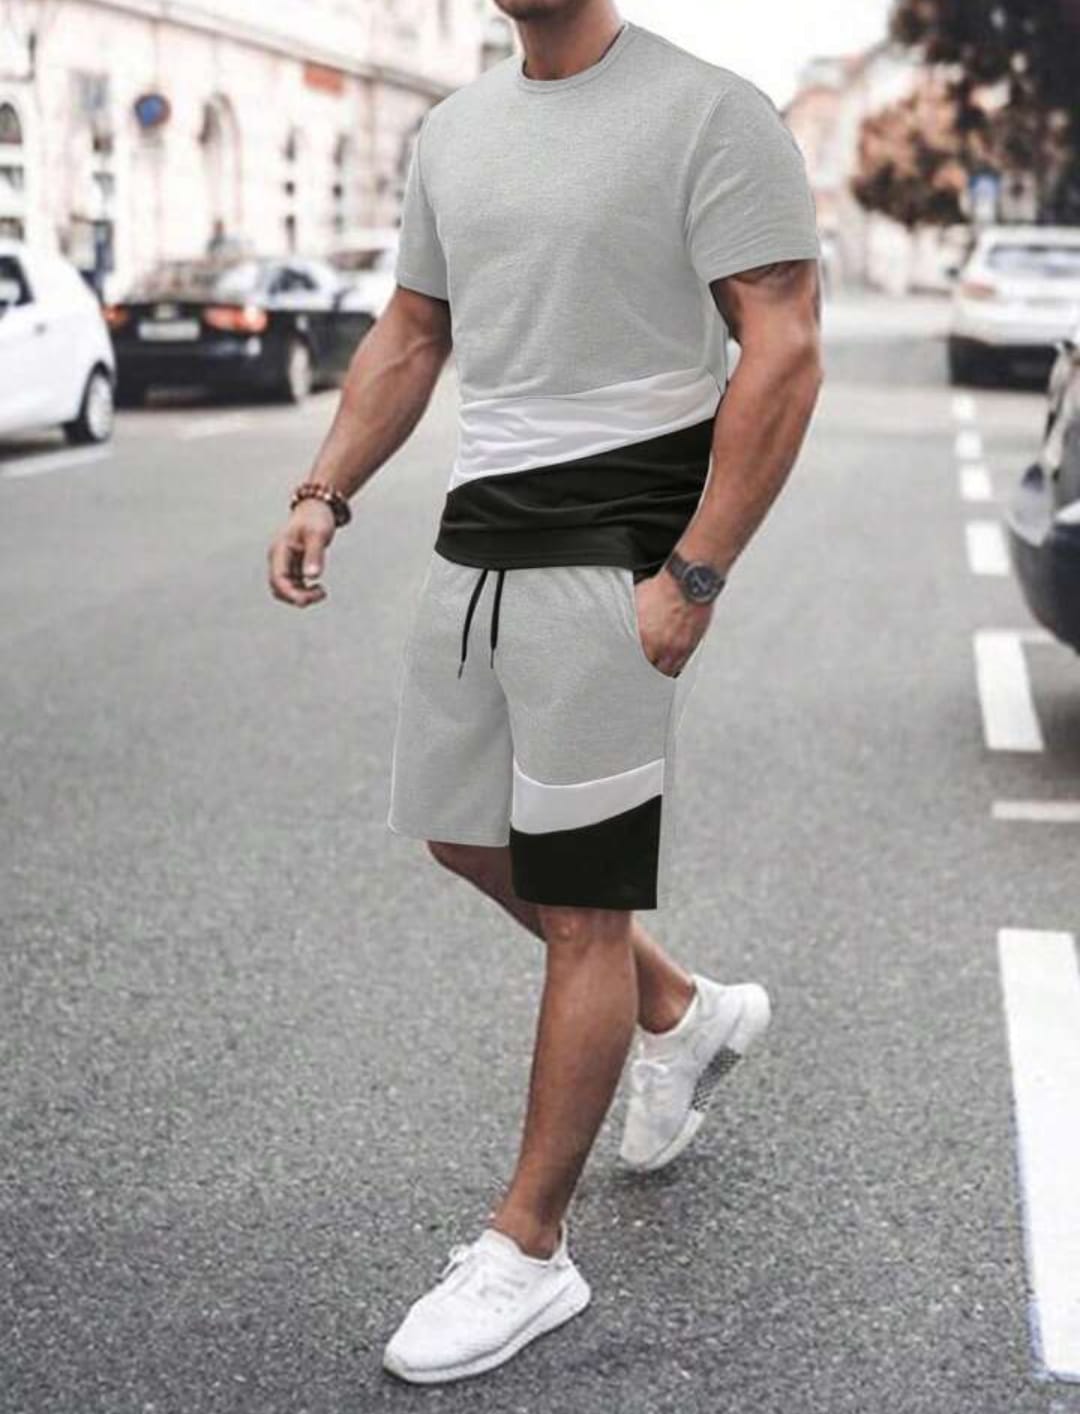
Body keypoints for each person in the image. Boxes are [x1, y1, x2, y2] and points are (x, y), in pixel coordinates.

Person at [268, 0, 823, 1385]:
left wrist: (696, 571)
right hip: (478, 540)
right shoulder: (455, 130)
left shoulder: (710, 113)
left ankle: (530, 1249)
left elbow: (785, 344)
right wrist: (326, 487)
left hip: (617, 549)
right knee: (463, 836)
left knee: (582, 901)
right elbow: (413, 331)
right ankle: (680, 1010)